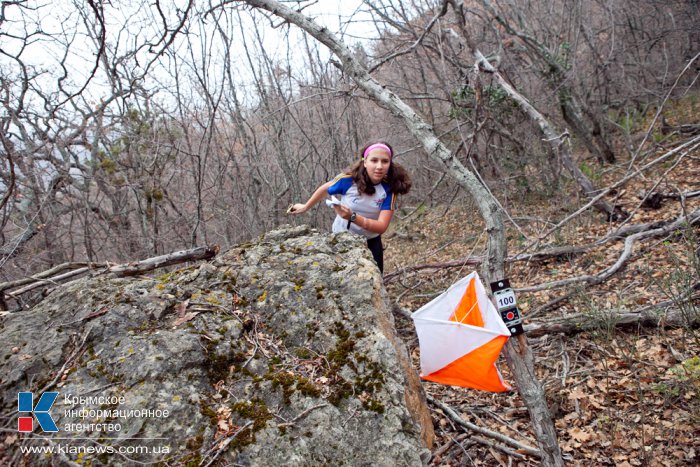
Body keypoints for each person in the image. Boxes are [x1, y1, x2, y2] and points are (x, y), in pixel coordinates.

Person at [289, 141, 411, 274]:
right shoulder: (348, 180)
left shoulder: (389, 188)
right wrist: (306, 206)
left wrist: (352, 217)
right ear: (365, 162)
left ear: (390, 164)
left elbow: (382, 226)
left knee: (375, 280)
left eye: (385, 161)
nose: (379, 166)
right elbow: (325, 189)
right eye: (374, 160)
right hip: (342, 237)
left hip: (371, 240)